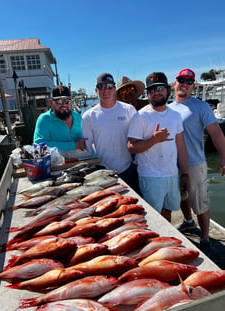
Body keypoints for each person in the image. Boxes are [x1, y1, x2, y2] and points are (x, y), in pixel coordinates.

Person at [169, 68, 225, 254]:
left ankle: (205, 237)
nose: (184, 84)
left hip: (195, 164)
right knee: (182, 197)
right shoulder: (167, 108)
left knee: (201, 203)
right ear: (174, 83)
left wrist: (224, 157)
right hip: (173, 165)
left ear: (193, 86)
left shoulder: (201, 107)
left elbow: (216, 133)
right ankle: (187, 222)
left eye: (189, 81)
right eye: (181, 80)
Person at [127, 72, 189, 222]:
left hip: (172, 174)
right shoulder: (140, 116)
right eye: (152, 90)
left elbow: (180, 146)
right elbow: (131, 147)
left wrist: (185, 173)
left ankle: (167, 237)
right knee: (154, 217)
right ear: (148, 94)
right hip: (150, 177)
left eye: (160, 88)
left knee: (168, 211)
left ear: (167, 90)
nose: (156, 93)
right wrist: (154, 140)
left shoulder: (175, 115)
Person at [82, 72, 139, 192]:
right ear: (96, 90)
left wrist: (136, 163)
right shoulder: (88, 116)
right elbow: (88, 149)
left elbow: (138, 139)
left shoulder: (129, 110)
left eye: (109, 86)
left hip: (128, 169)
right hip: (103, 174)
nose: (105, 91)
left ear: (114, 89)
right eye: (101, 87)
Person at [33, 85, 87, 152]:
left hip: (82, 160)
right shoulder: (44, 119)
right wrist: (73, 145)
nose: (64, 104)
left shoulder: (77, 116)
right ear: (51, 102)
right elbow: (38, 145)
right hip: (57, 161)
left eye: (67, 101)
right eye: (59, 101)